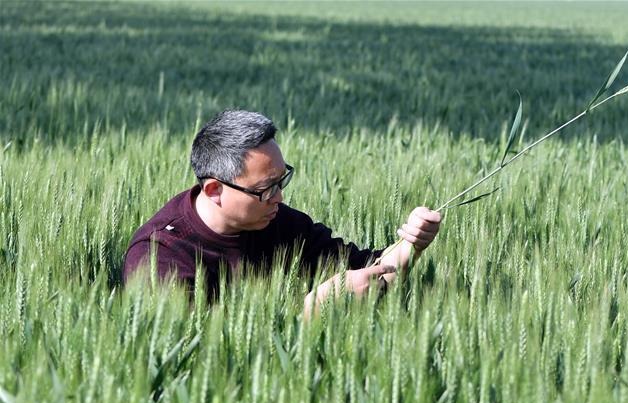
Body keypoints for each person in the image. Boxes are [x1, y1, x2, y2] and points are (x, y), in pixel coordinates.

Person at [122, 110, 441, 315]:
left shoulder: (278, 221)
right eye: (265, 188)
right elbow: (197, 355)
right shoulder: (158, 258)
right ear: (214, 191)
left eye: (281, 180)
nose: (280, 196)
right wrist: (312, 310)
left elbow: (365, 269)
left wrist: (412, 244)